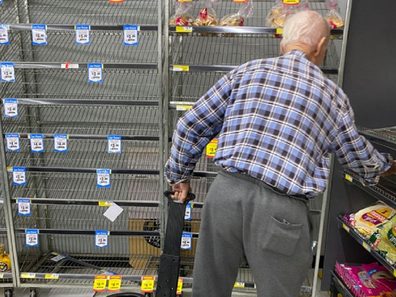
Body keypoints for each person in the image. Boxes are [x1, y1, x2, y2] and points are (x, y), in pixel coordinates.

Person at [164, 10, 396, 297]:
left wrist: (180, 177)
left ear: (283, 43)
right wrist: (388, 166)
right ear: (322, 45)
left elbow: (190, 124)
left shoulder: (247, 72)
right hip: (280, 211)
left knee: (208, 289)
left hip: (224, 195)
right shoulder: (331, 96)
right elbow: (360, 160)